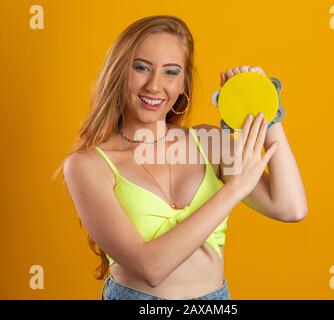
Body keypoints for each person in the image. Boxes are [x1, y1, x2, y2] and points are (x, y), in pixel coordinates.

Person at [55, 15, 308, 300]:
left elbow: (291, 208)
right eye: (141, 68)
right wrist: (235, 188)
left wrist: (266, 107)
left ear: (183, 85)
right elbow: (151, 268)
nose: (154, 85)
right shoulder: (87, 165)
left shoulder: (207, 143)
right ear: (119, 73)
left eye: (171, 72)